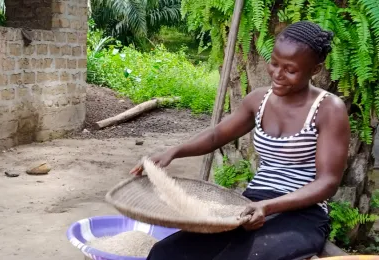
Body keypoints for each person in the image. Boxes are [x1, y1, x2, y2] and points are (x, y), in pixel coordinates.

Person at [130, 21, 350, 260]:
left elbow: (327, 182)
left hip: (302, 215)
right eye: (274, 63)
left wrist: (268, 207)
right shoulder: (258, 100)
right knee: (166, 253)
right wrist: (174, 151)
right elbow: (216, 135)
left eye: (290, 70)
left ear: (314, 70)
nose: (277, 74)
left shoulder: (329, 110)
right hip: (250, 204)